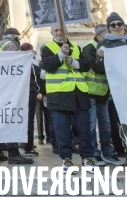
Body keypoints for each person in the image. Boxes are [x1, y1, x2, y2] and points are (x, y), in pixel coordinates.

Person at [41, 25, 95, 170]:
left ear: (67, 31)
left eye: (61, 30)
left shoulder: (76, 47)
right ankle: (66, 159)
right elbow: (48, 66)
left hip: (79, 93)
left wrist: (75, 62)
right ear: (51, 33)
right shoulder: (46, 47)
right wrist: (60, 55)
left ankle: (87, 158)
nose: (59, 33)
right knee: (62, 130)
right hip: (59, 94)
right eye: (56, 31)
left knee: (84, 128)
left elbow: (85, 64)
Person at [0, 28, 33, 165]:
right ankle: (13, 153)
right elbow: (13, 66)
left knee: (3, 118)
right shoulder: (11, 45)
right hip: (9, 89)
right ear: (14, 36)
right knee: (12, 118)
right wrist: (26, 57)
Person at [97, 12, 127, 159]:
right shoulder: (103, 44)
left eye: (119, 24)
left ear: (123, 26)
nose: (116, 27)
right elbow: (100, 68)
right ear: (108, 28)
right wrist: (100, 58)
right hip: (118, 91)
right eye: (113, 25)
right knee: (124, 124)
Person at [81, 24, 124, 166]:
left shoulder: (109, 47)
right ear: (100, 35)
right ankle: (94, 153)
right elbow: (97, 67)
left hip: (104, 92)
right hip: (90, 91)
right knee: (92, 125)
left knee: (106, 125)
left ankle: (108, 153)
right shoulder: (89, 47)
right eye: (107, 34)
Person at [21, 42, 41, 157]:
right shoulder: (30, 60)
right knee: (30, 120)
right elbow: (39, 73)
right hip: (31, 91)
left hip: (22, 92)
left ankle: (24, 143)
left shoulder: (19, 60)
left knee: (24, 119)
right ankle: (28, 146)